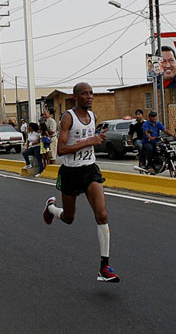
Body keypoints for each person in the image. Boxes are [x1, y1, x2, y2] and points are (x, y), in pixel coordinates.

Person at [42, 82, 120, 283]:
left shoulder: (93, 117)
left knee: (102, 214)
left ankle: (105, 267)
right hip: (70, 172)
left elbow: (91, 140)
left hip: (90, 169)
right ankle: (51, 208)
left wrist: (96, 139)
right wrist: (90, 141)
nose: (89, 96)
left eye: (91, 93)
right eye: (84, 94)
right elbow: (60, 150)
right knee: (69, 218)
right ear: (75, 97)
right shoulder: (68, 117)